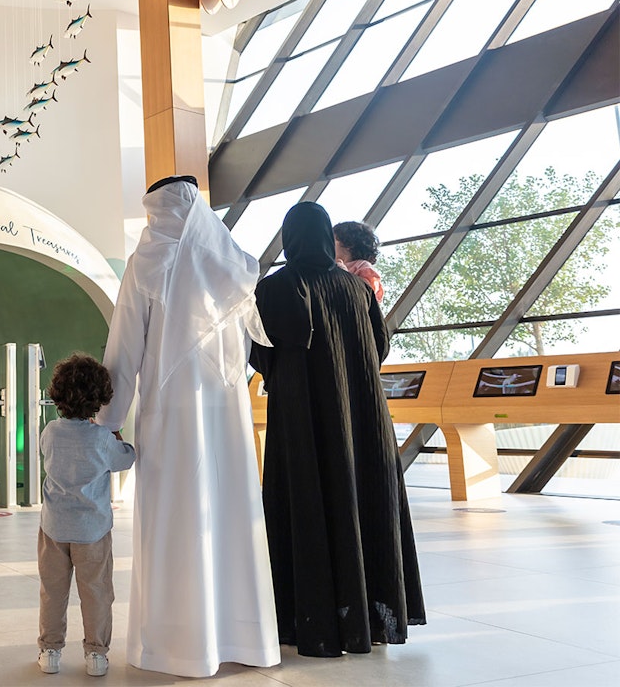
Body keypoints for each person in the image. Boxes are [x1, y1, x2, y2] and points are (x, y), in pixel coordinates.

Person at [95, 175, 280, 677]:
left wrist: (107, 419)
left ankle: (177, 643)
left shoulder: (147, 261)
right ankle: (241, 636)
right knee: (228, 513)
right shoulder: (232, 260)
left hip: (171, 413)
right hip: (226, 412)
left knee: (174, 519)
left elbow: (125, 346)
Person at [250, 201, 425, 658]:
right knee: (363, 500)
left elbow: (261, 352)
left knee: (308, 501)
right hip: (361, 413)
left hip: (304, 416)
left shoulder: (276, 287)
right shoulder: (357, 288)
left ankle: (308, 619)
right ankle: (369, 619)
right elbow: (378, 347)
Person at [37, 352, 136, 678]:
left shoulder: (50, 432)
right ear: (100, 398)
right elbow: (125, 459)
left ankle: (50, 651)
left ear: (57, 394)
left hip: (53, 527)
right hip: (92, 530)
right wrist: (121, 441)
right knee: (96, 592)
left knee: (53, 591)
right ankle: (96, 654)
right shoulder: (100, 439)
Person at [333, 220, 384, 303]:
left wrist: (343, 274)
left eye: (332, 240)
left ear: (348, 244)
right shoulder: (333, 266)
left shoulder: (363, 266)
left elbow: (366, 293)